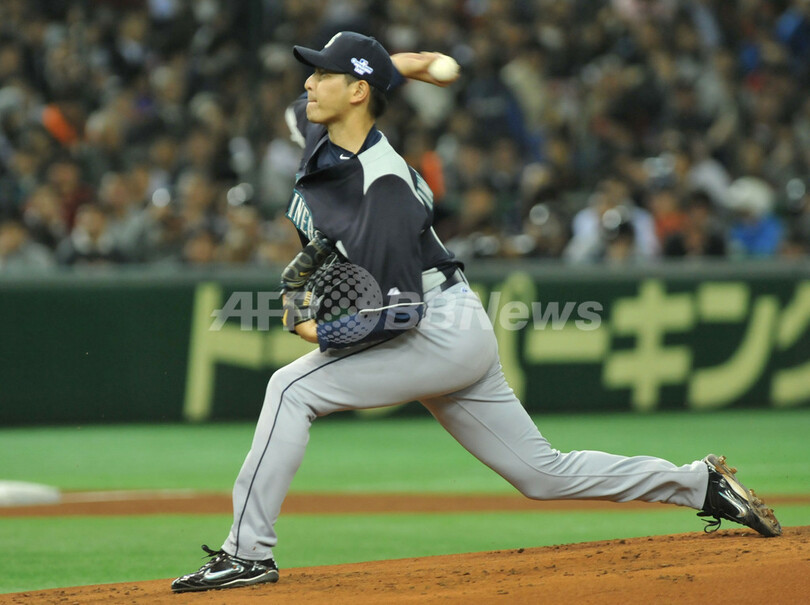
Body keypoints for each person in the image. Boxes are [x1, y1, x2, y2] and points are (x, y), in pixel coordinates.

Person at [171, 32, 782, 594]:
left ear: (356, 93)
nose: (308, 84)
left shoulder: (383, 189)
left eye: (323, 75)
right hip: (452, 322)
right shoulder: (327, 130)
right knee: (542, 474)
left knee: (290, 389)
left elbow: (398, 315)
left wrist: (314, 329)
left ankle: (246, 553)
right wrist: (406, 63)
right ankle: (699, 484)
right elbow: (320, 101)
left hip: (433, 327)